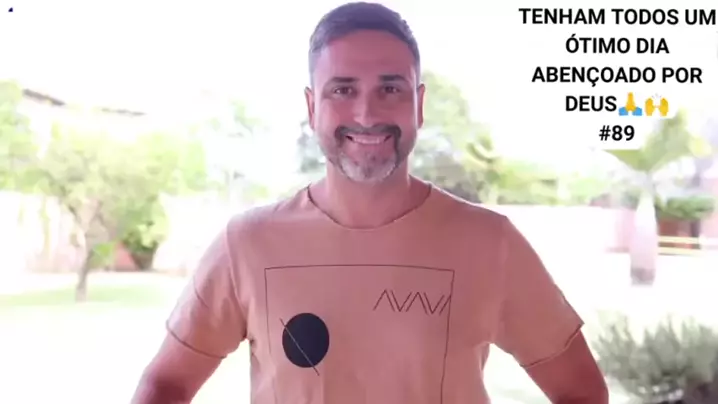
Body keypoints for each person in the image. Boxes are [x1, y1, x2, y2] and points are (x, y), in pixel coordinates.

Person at [131, 2, 609, 403]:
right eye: (343, 90)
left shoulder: (490, 243)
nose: (366, 112)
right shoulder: (248, 244)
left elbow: (582, 392)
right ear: (312, 106)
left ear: (419, 104)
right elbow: (165, 385)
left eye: (390, 89)